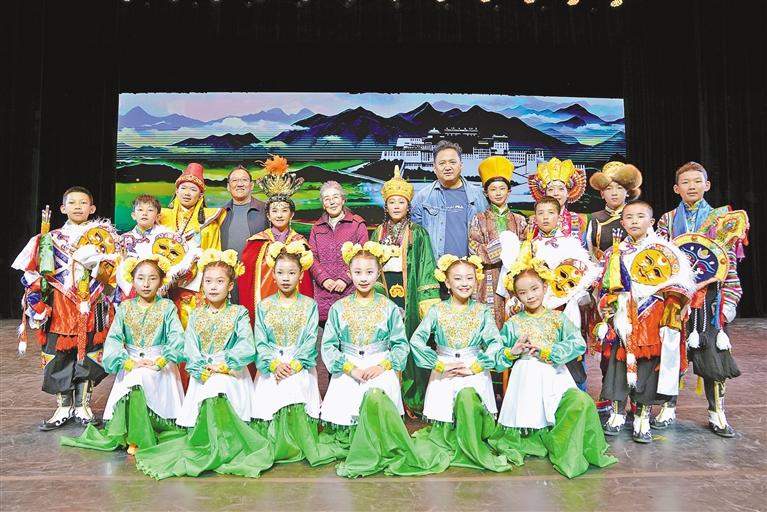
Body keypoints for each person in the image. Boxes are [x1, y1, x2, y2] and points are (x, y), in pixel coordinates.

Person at [134, 249, 274, 479]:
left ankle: (226, 443)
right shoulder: (196, 314)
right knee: (211, 386)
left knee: (219, 386)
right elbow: (190, 347)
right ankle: (208, 442)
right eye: (208, 281)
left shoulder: (239, 313)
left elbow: (247, 346)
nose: (213, 287)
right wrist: (200, 368)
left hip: (230, 373)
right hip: (204, 373)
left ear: (230, 286)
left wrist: (225, 365)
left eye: (220, 282)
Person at [319, 241, 449, 478]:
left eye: (369, 272)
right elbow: (328, 346)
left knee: (377, 393)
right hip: (349, 365)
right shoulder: (339, 308)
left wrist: (382, 366)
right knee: (348, 398)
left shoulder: (389, 308)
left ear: (379, 273)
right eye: (358, 272)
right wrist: (350, 369)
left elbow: (400, 345)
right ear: (349, 273)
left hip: (379, 363)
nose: (363, 278)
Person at [489, 246, 618, 479]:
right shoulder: (513, 324)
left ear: (545, 287)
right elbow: (496, 356)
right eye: (523, 292)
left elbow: (578, 343)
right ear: (516, 296)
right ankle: (533, 438)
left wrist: (550, 351)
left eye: (535, 289)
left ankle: (560, 438)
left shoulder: (558, 318)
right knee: (529, 414)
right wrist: (513, 351)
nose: (530, 296)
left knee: (579, 401)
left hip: (554, 375)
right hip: (525, 378)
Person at [656, 162, 749, 436]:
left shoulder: (722, 220)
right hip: (675, 299)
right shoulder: (667, 220)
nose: (691, 186)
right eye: (685, 182)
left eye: (697, 181)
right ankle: (667, 408)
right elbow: (661, 260)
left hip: (710, 300)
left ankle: (717, 412)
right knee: (671, 354)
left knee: (714, 357)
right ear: (676, 188)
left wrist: (730, 301)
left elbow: (728, 264)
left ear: (707, 185)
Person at [12, 187, 118, 429]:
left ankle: (82, 406)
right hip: (59, 305)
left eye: (83, 202)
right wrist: (35, 301)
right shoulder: (48, 238)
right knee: (57, 354)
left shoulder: (104, 238)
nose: (78, 206)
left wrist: (98, 264)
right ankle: (63, 406)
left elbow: (113, 274)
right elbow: (31, 273)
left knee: (89, 352)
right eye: (72, 202)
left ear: (92, 208)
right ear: (63, 208)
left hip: (91, 304)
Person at [60, 255, 185, 455]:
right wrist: (128, 363)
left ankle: (146, 432)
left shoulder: (166, 307)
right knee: (136, 378)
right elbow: (114, 340)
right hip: (132, 362)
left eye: (152, 278)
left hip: (160, 362)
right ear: (132, 280)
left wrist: (161, 361)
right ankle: (133, 433)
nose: (146, 284)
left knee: (142, 379)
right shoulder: (125, 307)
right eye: (140, 278)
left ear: (161, 281)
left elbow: (177, 337)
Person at [595, 201, 695, 443]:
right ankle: (617, 414)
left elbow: (681, 285)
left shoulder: (665, 250)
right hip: (622, 319)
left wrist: (672, 304)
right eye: (629, 217)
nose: (634, 221)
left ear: (651, 221)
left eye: (640, 216)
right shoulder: (613, 252)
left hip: (652, 318)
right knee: (617, 367)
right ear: (622, 222)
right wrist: (606, 302)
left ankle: (642, 417)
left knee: (648, 369)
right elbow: (601, 285)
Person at [409, 255, 513, 472]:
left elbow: (495, 343)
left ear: (477, 280)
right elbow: (416, 341)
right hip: (445, 367)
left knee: (470, 404)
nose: (464, 283)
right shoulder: (437, 310)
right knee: (446, 416)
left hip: (473, 367)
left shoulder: (482, 311)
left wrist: (474, 367)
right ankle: (449, 440)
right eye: (457, 278)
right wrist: (439, 365)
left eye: (469, 278)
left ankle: (472, 440)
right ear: (447, 283)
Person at [251, 242, 336, 466]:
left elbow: (310, 340)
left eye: (291, 273)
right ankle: (275, 442)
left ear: (300, 275)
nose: (285, 278)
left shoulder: (309, 305)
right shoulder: (263, 306)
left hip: (299, 364)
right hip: (272, 365)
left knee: (294, 385)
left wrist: (295, 365)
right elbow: (260, 341)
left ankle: (297, 440)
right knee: (274, 390)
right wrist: (274, 365)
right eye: (280, 273)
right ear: (273, 275)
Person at [370, 165, 441, 414]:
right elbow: (371, 266)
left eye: (401, 202)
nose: (397, 206)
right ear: (386, 206)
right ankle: (388, 396)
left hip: (409, 295)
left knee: (409, 340)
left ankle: (411, 397)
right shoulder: (378, 233)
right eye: (392, 202)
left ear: (408, 205)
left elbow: (426, 266)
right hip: (386, 292)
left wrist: (426, 301)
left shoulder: (418, 233)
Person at [239, 155, 313, 325]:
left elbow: (306, 284)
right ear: (268, 215)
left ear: (291, 214)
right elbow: (246, 281)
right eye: (274, 210)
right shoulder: (256, 243)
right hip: (264, 306)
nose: (279, 215)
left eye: (284, 210)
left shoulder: (300, 243)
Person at [159, 163, 225, 327]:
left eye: (193, 189)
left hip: (195, 286)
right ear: (176, 191)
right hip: (162, 284)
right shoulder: (161, 217)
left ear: (200, 195)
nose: (187, 193)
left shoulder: (209, 223)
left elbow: (214, 256)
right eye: (183, 188)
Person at [469, 156, 527, 329]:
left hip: (514, 276)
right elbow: (473, 247)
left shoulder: (519, 219)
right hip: (488, 276)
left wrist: (516, 256)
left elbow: (527, 247)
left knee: (515, 320)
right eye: (493, 189)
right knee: (489, 321)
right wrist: (503, 249)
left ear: (509, 191)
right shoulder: (478, 219)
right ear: (485, 193)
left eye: (502, 188)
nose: (498, 193)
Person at [411, 140, 488, 262]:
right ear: (434, 167)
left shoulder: (477, 195)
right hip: (435, 268)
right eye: (442, 163)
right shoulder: (423, 197)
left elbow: (486, 234)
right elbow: (415, 238)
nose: (448, 167)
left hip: (470, 268)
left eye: (452, 162)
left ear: (461, 165)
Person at [308, 180, 368, 325]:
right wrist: (324, 279)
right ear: (323, 204)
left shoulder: (357, 225)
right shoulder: (317, 228)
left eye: (335, 197)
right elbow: (311, 257)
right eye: (327, 199)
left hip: (351, 290)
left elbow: (363, 256)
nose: (332, 202)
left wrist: (344, 279)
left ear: (343, 200)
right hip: (324, 293)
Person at [115, 195, 188, 302]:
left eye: (150, 210)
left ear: (158, 217)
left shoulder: (165, 239)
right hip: (129, 289)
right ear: (133, 215)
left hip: (158, 289)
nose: (144, 213)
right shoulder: (124, 238)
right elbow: (119, 266)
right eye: (140, 210)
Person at [219, 165, 268, 304]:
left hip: (258, 276)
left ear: (251, 185)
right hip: (229, 276)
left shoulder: (266, 210)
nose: (239, 184)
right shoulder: (220, 213)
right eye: (235, 180)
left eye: (244, 180)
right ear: (228, 187)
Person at [586, 162, 643, 262]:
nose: (614, 193)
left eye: (619, 188)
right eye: (609, 188)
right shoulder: (594, 219)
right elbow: (589, 251)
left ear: (627, 192)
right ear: (602, 193)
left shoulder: (639, 217)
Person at [526, 157, 587, 241]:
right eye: (551, 189)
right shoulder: (535, 220)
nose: (556, 193)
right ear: (545, 194)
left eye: (561, 189)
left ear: (568, 193)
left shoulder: (577, 219)